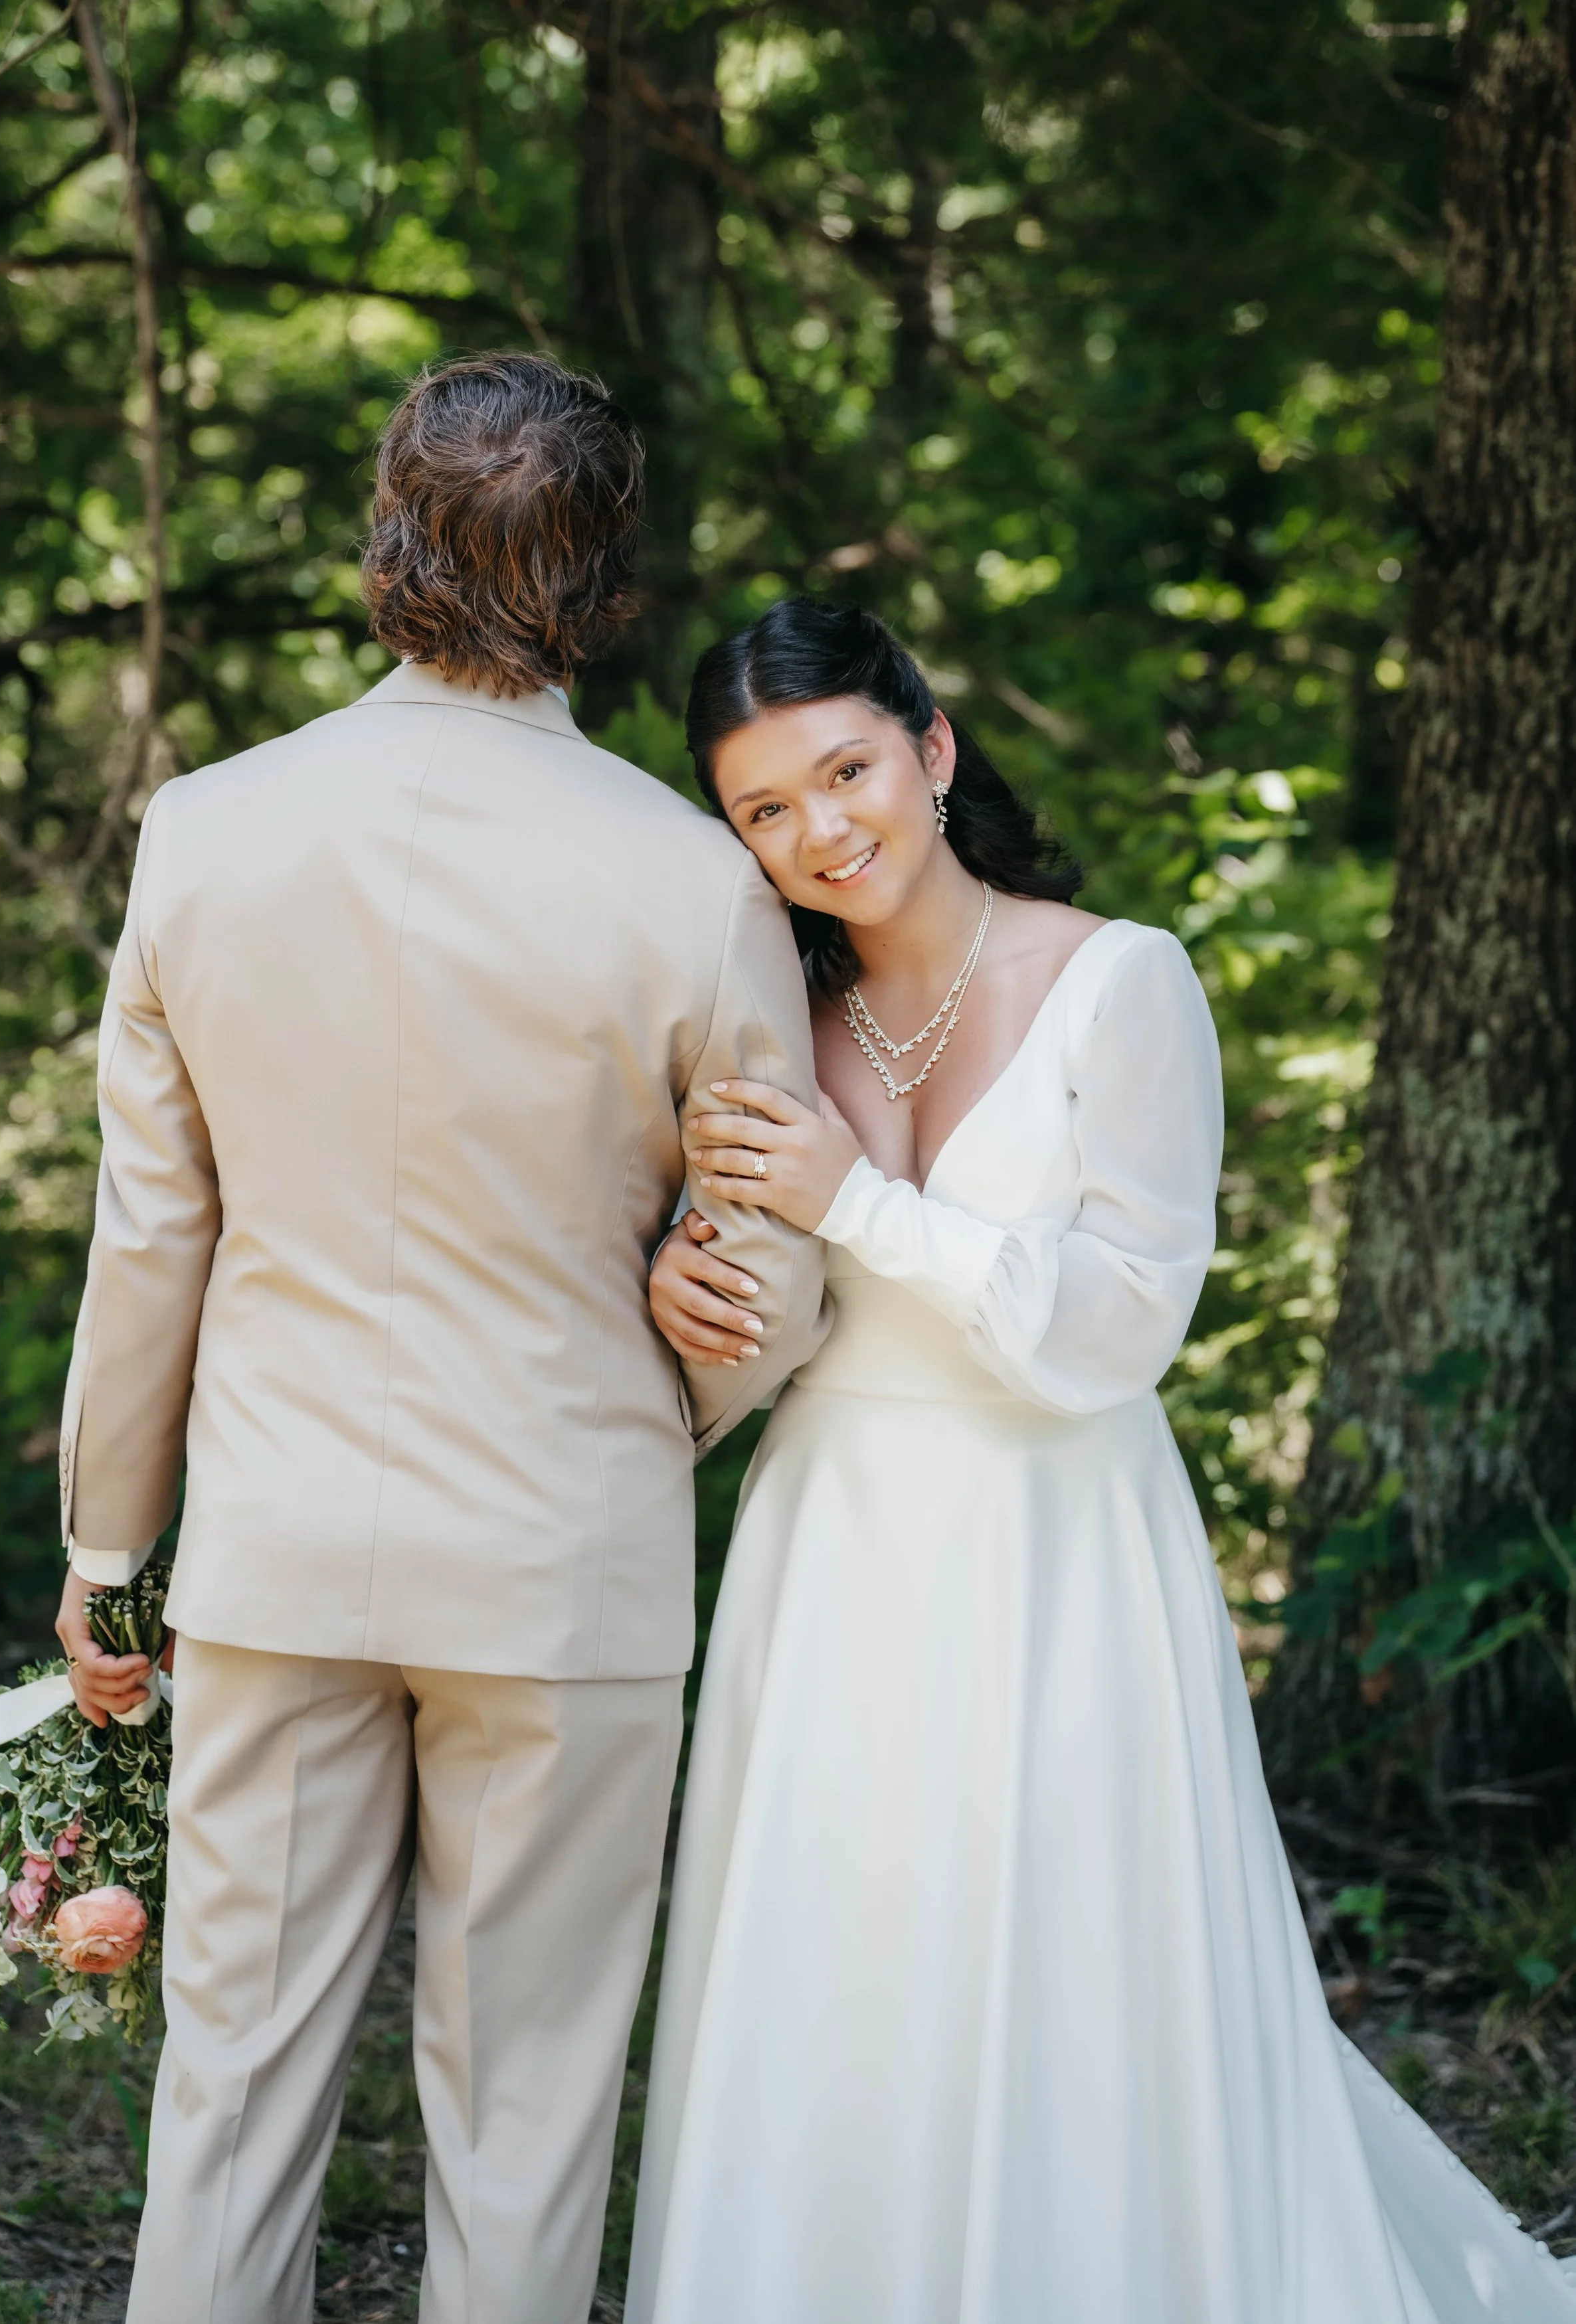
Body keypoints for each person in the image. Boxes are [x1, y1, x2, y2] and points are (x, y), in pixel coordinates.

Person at [626, 594, 1576, 2323]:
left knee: (1065, 1957)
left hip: (1055, 1535)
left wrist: (854, 1202)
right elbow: (784, 1320)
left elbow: (1119, 1327)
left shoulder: (1115, 979)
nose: (819, 829)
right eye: (764, 808)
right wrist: (702, 1294)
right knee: (839, 1960)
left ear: (929, 746)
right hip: (830, 1538)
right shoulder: (775, 1013)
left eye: (844, 770)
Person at [50, 355, 829, 2324]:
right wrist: (648, 1411)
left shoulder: (206, 832)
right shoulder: (691, 877)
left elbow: (155, 1233)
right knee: (529, 2115)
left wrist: (103, 1551)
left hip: (282, 1545)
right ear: (605, 577)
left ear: (387, 538)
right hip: (568, 1555)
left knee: (226, 2093)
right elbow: (766, 1277)